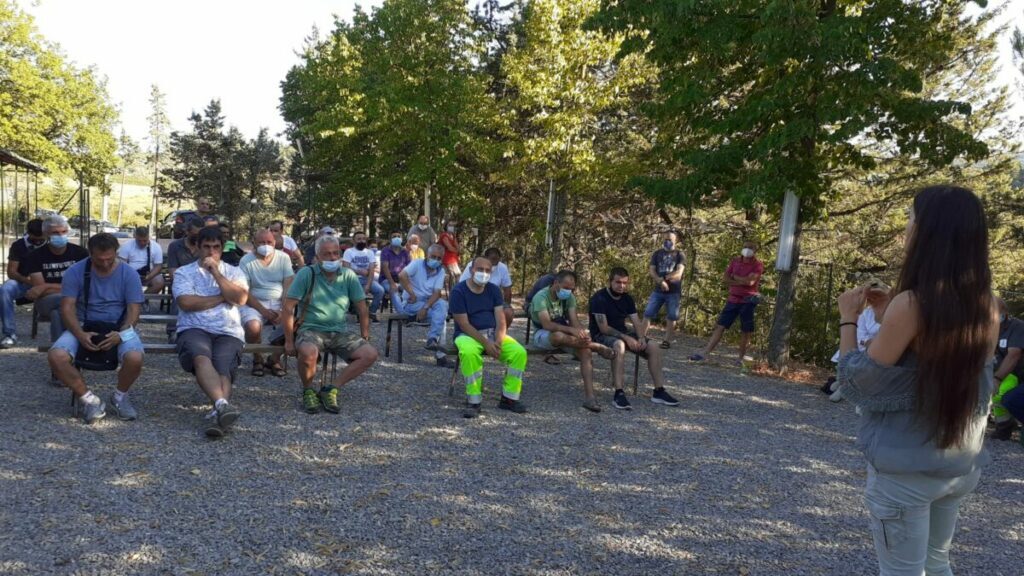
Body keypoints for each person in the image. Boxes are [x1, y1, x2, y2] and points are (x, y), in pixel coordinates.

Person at [836, 185, 997, 575]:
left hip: (906, 469)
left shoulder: (913, 304)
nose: (906, 228)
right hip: (956, 463)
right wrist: (891, 309)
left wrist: (849, 317)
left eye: (910, 218)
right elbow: (933, 368)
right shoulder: (987, 305)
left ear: (927, 231)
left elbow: (859, 383)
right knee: (937, 562)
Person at [48, 233, 145, 423]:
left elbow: (134, 310)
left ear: (116, 253)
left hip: (119, 326)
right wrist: (80, 334)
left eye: (110, 259)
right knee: (56, 356)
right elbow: (67, 307)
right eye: (99, 260)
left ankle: (120, 396)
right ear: (90, 254)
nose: (105, 263)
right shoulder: (75, 271)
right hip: (84, 324)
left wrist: (122, 334)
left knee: (135, 357)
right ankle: (89, 399)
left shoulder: (129, 273)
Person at [281, 235, 378, 414]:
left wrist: (365, 336)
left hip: (339, 331)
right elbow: (288, 308)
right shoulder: (306, 273)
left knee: (370, 354)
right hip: (311, 329)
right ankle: (308, 390)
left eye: (336, 253)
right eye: (327, 254)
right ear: (317, 257)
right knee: (309, 352)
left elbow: (362, 308)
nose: (333, 258)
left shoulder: (348, 275)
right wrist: (288, 341)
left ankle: (331, 388)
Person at [173, 227, 250, 438]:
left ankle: (219, 414)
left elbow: (241, 299)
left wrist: (216, 273)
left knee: (223, 367)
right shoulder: (184, 272)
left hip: (228, 330)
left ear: (222, 249)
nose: (211, 252)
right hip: (193, 328)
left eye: (216, 247)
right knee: (201, 357)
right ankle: (222, 407)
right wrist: (222, 297)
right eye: (206, 246)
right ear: (197, 247)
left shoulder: (234, 272)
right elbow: (186, 302)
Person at [589, 267, 681, 411]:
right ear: (610, 281)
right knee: (619, 345)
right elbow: (604, 328)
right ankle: (619, 393)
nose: (621, 286)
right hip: (601, 335)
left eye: (625, 283)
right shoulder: (599, 298)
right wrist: (627, 338)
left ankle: (659, 391)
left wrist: (641, 337)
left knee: (654, 346)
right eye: (618, 282)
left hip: (623, 332)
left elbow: (636, 322)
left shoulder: (627, 298)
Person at [451, 256, 528, 419]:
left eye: (487, 271)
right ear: (471, 270)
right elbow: (463, 324)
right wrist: (486, 343)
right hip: (467, 335)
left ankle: (509, 399)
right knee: (469, 353)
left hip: (492, 333)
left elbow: (501, 319)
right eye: (480, 270)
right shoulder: (458, 291)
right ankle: (474, 401)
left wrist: (498, 342)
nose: (483, 273)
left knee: (519, 352)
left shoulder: (493, 290)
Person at [529, 270, 615, 412]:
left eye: (571, 288)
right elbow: (547, 325)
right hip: (543, 334)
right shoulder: (541, 297)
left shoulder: (569, 298)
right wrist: (571, 331)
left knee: (585, 352)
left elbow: (574, 321)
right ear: (556, 283)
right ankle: (597, 346)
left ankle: (590, 397)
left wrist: (581, 333)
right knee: (557, 336)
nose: (568, 291)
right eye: (566, 288)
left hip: (566, 335)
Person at [689, 240, 764, 364]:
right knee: (720, 326)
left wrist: (734, 277)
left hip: (748, 300)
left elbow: (750, 282)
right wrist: (740, 281)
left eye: (750, 247)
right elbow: (725, 279)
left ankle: (740, 358)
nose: (747, 249)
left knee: (746, 330)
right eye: (745, 246)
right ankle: (705, 352)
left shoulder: (758, 265)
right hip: (733, 298)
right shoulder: (735, 261)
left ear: (755, 250)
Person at [22, 215, 89, 343]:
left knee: (58, 313)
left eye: (63, 232)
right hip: (47, 302)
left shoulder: (81, 253)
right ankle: (75, 343)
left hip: (75, 300)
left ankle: (60, 347)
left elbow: (84, 285)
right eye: (55, 233)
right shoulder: (34, 256)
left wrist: (47, 286)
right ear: (46, 234)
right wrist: (46, 288)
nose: (61, 235)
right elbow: (39, 291)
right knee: (63, 300)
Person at [238, 229, 294, 378]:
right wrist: (264, 311)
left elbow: (288, 285)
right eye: (262, 242)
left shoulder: (284, 258)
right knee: (253, 327)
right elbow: (245, 292)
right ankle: (257, 358)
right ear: (254, 243)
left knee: (292, 325)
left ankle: (274, 359)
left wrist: (283, 309)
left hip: (279, 301)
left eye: (269, 242)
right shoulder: (246, 261)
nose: (266, 245)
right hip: (254, 304)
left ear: (275, 243)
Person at [825, 279, 891, 402]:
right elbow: (859, 335)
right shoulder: (865, 313)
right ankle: (842, 384)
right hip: (863, 346)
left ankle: (844, 386)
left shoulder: (894, 312)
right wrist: (867, 342)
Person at [395, 244, 451, 368]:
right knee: (441, 318)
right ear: (427, 255)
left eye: (438, 258)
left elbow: (437, 293)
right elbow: (402, 275)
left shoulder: (440, 270)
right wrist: (411, 293)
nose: (435, 260)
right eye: (433, 256)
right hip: (411, 302)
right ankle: (440, 356)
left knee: (442, 305)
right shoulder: (417, 263)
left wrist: (425, 307)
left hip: (428, 302)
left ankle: (432, 340)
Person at [1, 218, 46, 348]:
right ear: (29, 233)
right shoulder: (19, 246)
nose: (39, 241)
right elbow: (12, 272)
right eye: (36, 239)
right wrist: (29, 281)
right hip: (25, 282)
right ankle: (10, 334)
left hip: (48, 284)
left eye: (41, 239)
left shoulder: (51, 244)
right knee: (5, 289)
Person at [644, 230, 685, 349]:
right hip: (658, 290)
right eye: (665, 239)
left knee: (672, 316)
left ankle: (666, 341)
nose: (667, 242)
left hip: (673, 291)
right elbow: (652, 270)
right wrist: (660, 281)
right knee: (648, 313)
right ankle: (642, 336)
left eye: (670, 240)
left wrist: (665, 279)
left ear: (675, 241)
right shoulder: (657, 253)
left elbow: (679, 272)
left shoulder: (679, 254)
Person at [165, 216, 204, 343]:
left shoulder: (205, 247)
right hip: (181, 282)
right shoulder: (175, 246)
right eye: (195, 234)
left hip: (202, 283)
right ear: (187, 232)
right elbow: (173, 272)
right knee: (181, 294)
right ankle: (173, 330)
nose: (198, 238)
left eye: (201, 235)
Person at [991, 297, 1024, 441]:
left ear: (1005, 312)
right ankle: (1003, 426)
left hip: (1015, 374)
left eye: (995, 311)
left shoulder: (1017, 327)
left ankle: (1006, 426)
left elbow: (1014, 355)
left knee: (1003, 394)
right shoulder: (988, 328)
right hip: (998, 372)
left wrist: (997, 379)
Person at [459, 247, 515, 327]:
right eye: (492, 259)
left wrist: (506, 304)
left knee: (508, 312)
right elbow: (462, 285)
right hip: (473, 297)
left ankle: (501, 332)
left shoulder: (502, 268)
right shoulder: (472, 265)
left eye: (496, 260)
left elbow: (507, 290)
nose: (494, 263)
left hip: (494, 300)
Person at [342, 231, 384, 321]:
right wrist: (359, 271)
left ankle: (371, 312)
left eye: (363, 239)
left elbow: (372, 270)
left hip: (367, 280)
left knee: (380, 291)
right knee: (359, 293)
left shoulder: (369, 252)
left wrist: (368, 285)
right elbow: (346, 268)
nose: (361, 241)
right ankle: (360, 314)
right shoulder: (348, 252)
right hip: (353, 280)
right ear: (354, 241)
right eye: (359, 239)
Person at [117, 226, 165, 295]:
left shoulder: (156, 246)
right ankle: (131, 300)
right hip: (130, 274)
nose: (142, 243)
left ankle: (142, 300)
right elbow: (121, 263)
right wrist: (131, 275)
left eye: (145, 240)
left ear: (149, 237)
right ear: (135, 237)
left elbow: (158, 266)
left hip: (149, 274)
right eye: (139, 241)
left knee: (159, 282)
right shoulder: (127, 245)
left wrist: (150, 276)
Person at [380, 230, 412, 299]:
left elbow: (409, 268)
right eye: (394, 237)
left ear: (402, 239)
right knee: (394, 293)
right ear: (390, 239)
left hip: (401, 280)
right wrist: (392, 283)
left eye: (398, 236)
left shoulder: (405, 252)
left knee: (411, 292)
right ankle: (401, 310)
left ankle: (406, 309)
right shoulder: (385, 251)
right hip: (386, 279)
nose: (396, 238)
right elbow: (385, 268)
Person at [438, 219, 462, 286]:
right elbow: (450, 248)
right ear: (446, 226)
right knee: (457, 275)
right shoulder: (444, 235)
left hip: (454, 259)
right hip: (448, 259)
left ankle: (453, 292)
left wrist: (456, 250)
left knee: (454, 277)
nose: (452, 227)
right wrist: (456, 250)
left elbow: (458, 247)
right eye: (450, 225)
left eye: (453, 225)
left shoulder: (453, 236)